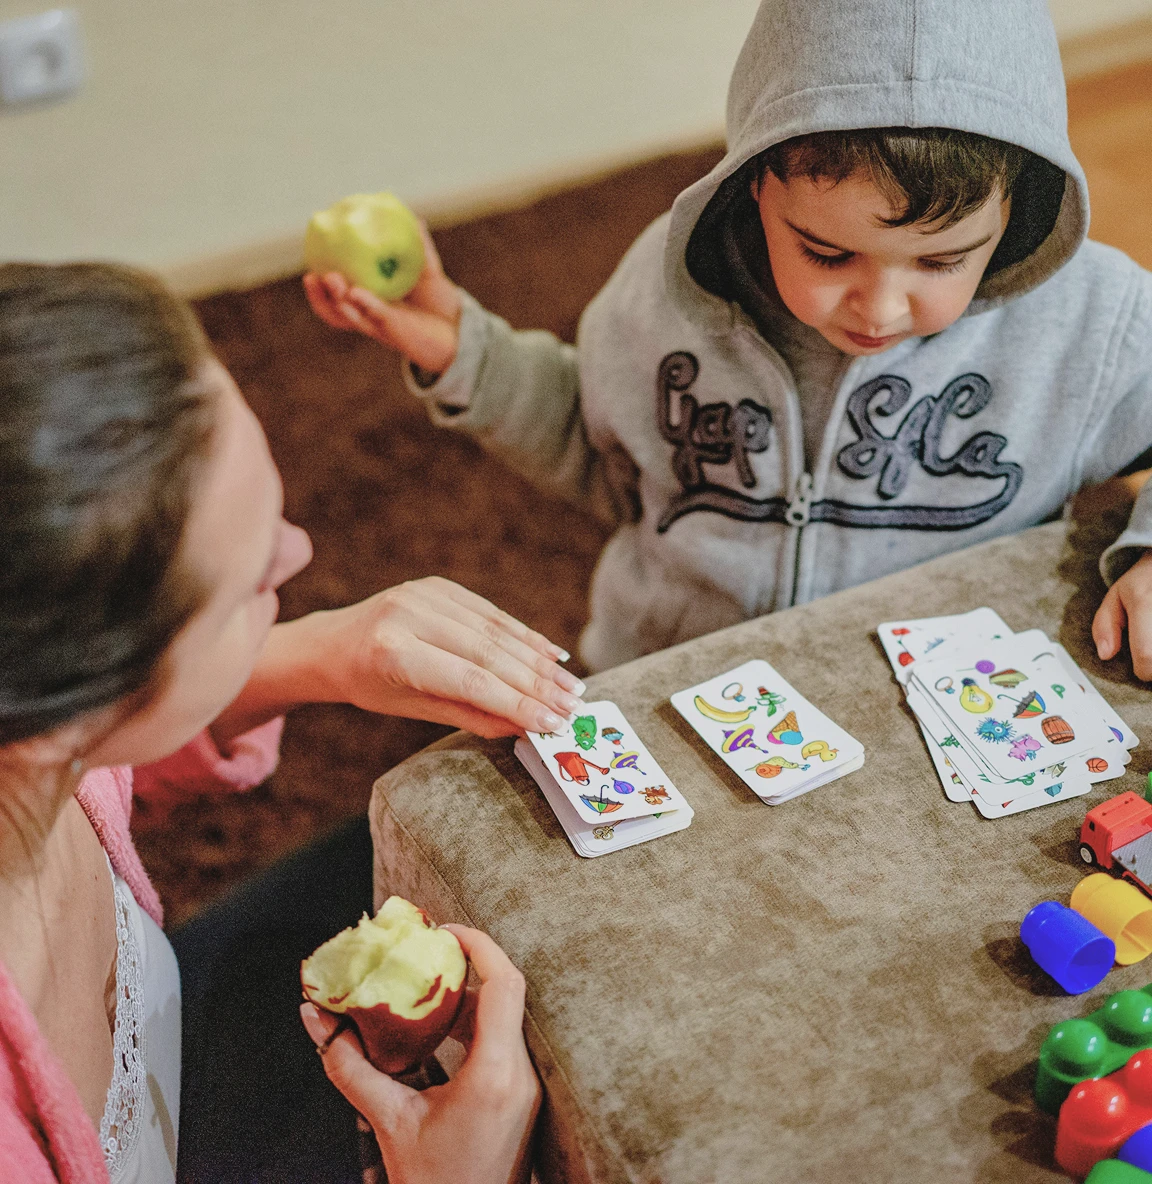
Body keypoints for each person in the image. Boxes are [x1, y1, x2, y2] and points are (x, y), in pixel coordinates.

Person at [305, 0, 1152, 679]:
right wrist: (466, 350)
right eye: (826, 251)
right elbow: (598, 445)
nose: (882, 307)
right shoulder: (665, 291)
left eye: (943, 260)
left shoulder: (1093, 326)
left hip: (937, 715)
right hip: (669, 687)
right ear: (751, 187)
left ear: (1016, 214)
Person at [0, 261, 547, 1184]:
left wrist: (323, 655)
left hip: (182, 1068)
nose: (301, 550)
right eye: (254, 581)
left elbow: (112, 762)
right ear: (70, 705)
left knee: (437, 845)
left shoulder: (32, 710)